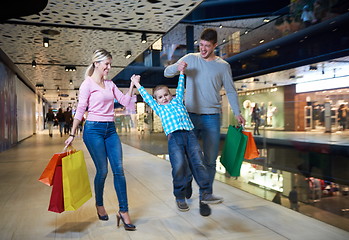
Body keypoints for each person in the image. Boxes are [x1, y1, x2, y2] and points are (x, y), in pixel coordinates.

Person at [164, 28, 245, 199]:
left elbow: (230, 91)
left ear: (215, 45)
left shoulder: (223, 67)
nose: (202, 49)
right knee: (186, 156)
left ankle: (205, 194)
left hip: (212, 118)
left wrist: (237, 112)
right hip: (189, 117)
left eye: (207, 46)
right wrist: (177, 68)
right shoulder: (190, 59)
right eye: (200, 45)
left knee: (209, 160)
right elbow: (166, 72)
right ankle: (186, 184)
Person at [131, 73, 223, 217]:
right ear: (157, 100)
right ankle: (180, 196)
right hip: (174, 138)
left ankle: (206, 193)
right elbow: (147, 97)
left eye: (166, 94)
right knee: (179, 165)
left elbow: (181, 87)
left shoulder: (178, 101)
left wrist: (181, 73)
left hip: (189, 134)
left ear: (170, 94)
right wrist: (136, 83)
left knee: (199, 163)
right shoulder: (159, 108)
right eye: (160, 97)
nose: (164, 98)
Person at [64, 49, 136, 231]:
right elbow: (80, 110)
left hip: (110, 130)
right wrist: (72, 133)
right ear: (96, 63)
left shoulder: (110, 84)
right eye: (107, 64)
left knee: (119, 169)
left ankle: (124, 211)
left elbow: (126, 102)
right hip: (93, 130)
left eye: (110, 64)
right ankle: (99, 204)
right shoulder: (86, 84)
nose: (109, 67)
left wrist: (132, 85)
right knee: (102, 170)